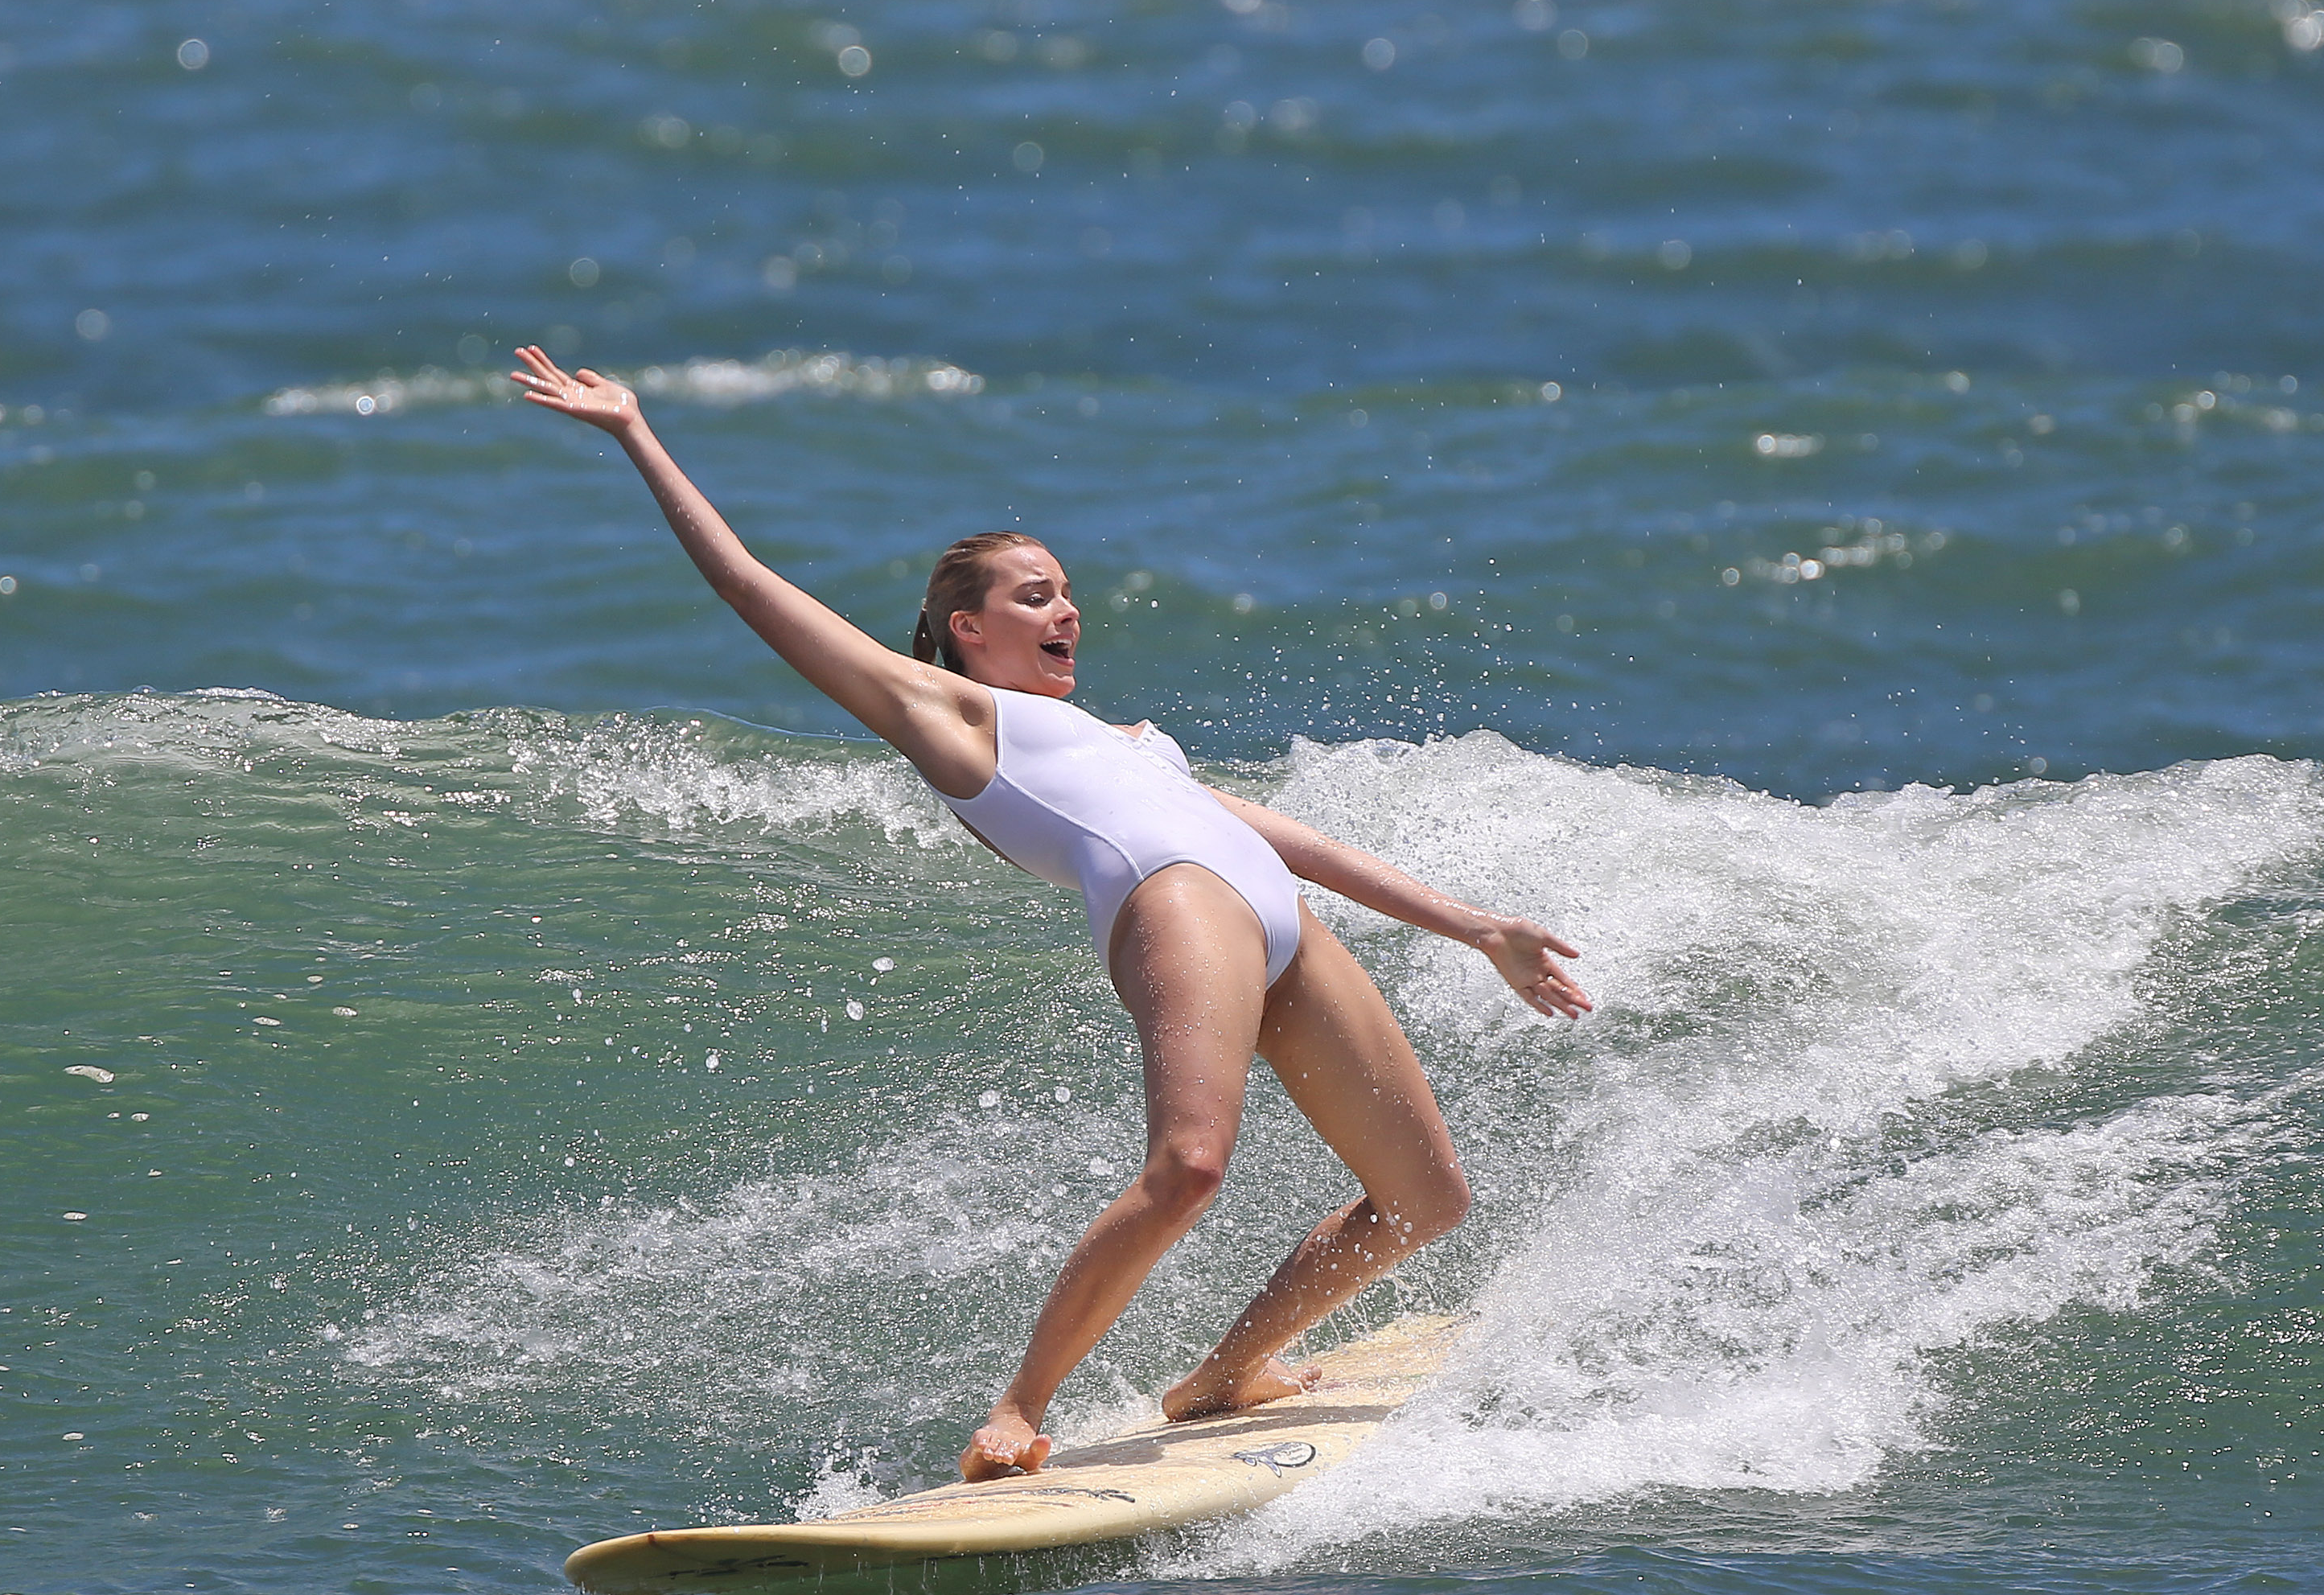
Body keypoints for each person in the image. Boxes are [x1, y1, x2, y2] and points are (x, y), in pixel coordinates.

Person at [514, 346, 1592, 1483]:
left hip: (1278, 921)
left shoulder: (1132, 744)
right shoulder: (953, 714)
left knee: (1426, 1197)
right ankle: (1017, 1412)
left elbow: (1290, 842)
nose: (1067, 610)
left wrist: (1477, 928)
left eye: (1068, 594)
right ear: (967, 630)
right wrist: (636, 432)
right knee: (1187, 1167)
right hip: (1179, 909)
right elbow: (746, 586)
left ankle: (1225, 1376)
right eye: (1036, 597)